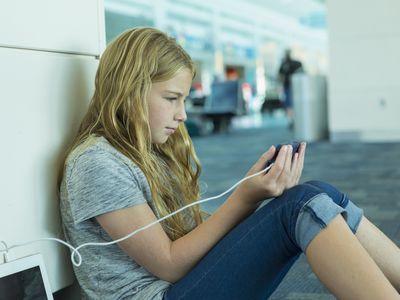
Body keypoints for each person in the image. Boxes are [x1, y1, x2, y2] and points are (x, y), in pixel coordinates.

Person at [58, 27, 400, 299]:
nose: (182, 115)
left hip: (183, 286)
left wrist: (253, 192)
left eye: (184, 99)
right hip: (163, 293)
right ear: (129, 90)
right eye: (172, 98)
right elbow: (169, 264)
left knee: (318, 193)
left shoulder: (145, 151)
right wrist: (245, 199)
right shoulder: (96, 162)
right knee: (300, 207)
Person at [278, 49, 303, 129]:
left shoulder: (294, 63)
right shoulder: (284, 64)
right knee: (289, 104)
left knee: (292, 104)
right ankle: (291, 121)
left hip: (294, 86)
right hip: (288, 86)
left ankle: (294, 120)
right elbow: (280, 75)